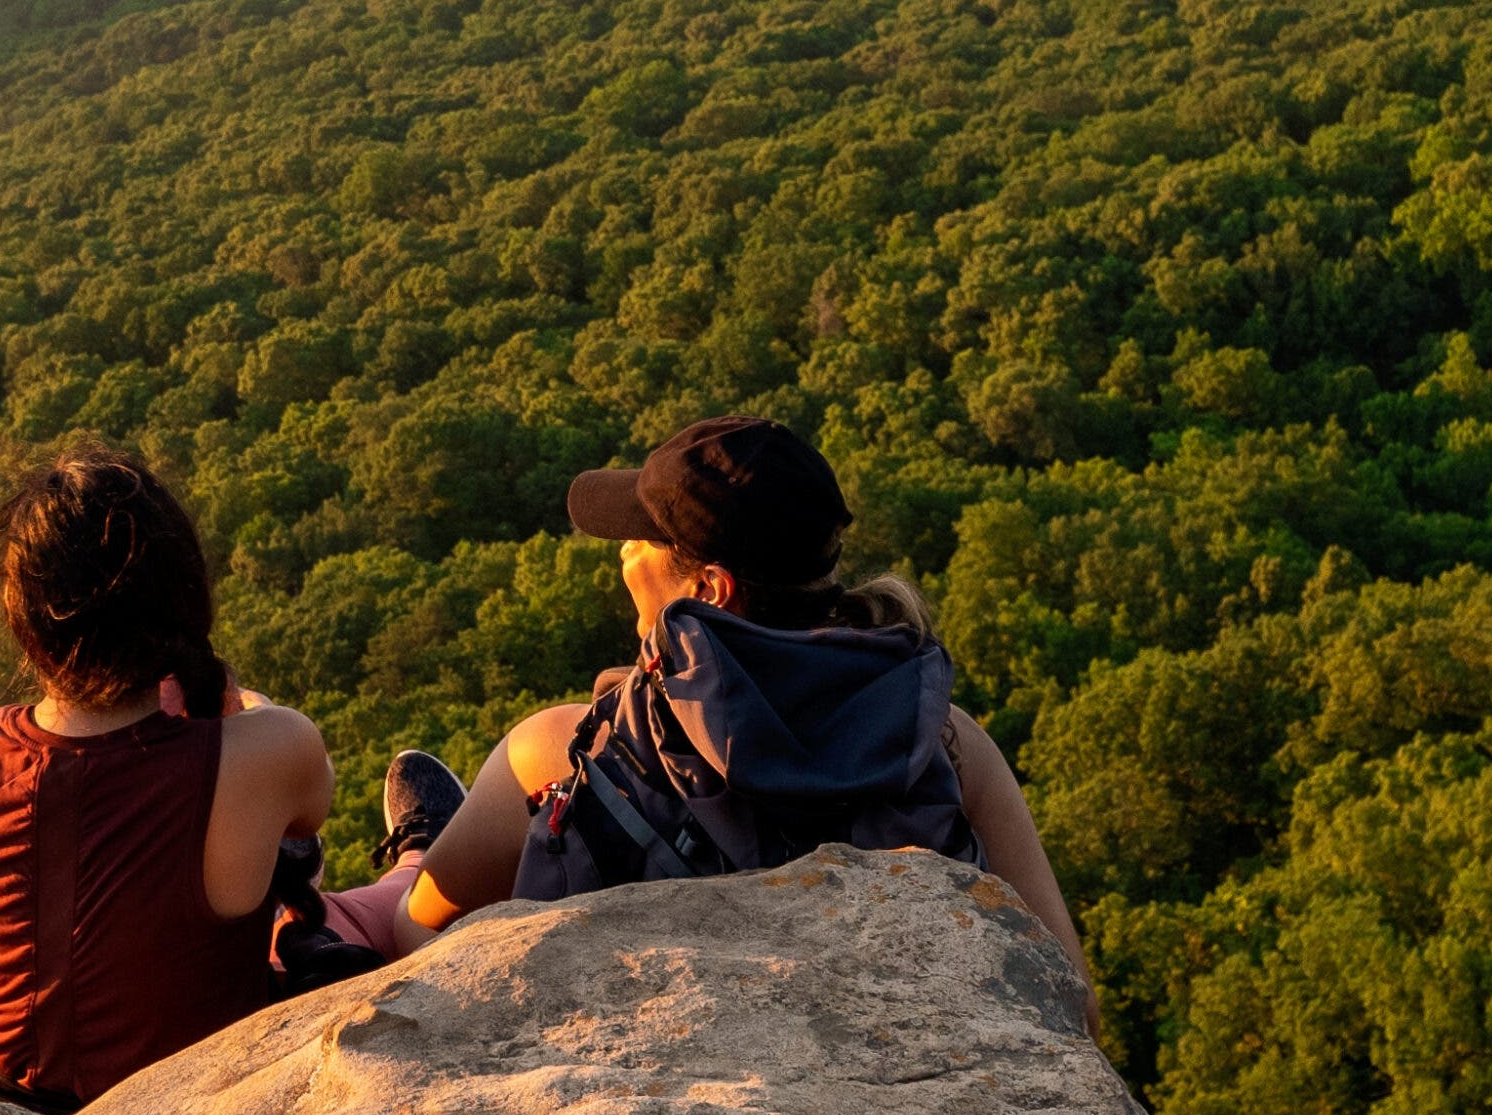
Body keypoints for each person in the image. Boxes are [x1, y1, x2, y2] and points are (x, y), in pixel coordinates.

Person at [394, 415, 1098, 1031]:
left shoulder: (561, 749)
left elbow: (416, 929)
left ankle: (412, 851)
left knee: (396, 898)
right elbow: (1073, 1005)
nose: (622, 552)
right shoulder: (943, 743)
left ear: (710, 591)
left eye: (640, 539)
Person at [0, 441, 461, 1114]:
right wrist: (240, 709)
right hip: (182, 1090)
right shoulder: (268, 746)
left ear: (23, 620)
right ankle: (421, 859)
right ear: (183, 598)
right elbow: (309, 806)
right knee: (344, 910)